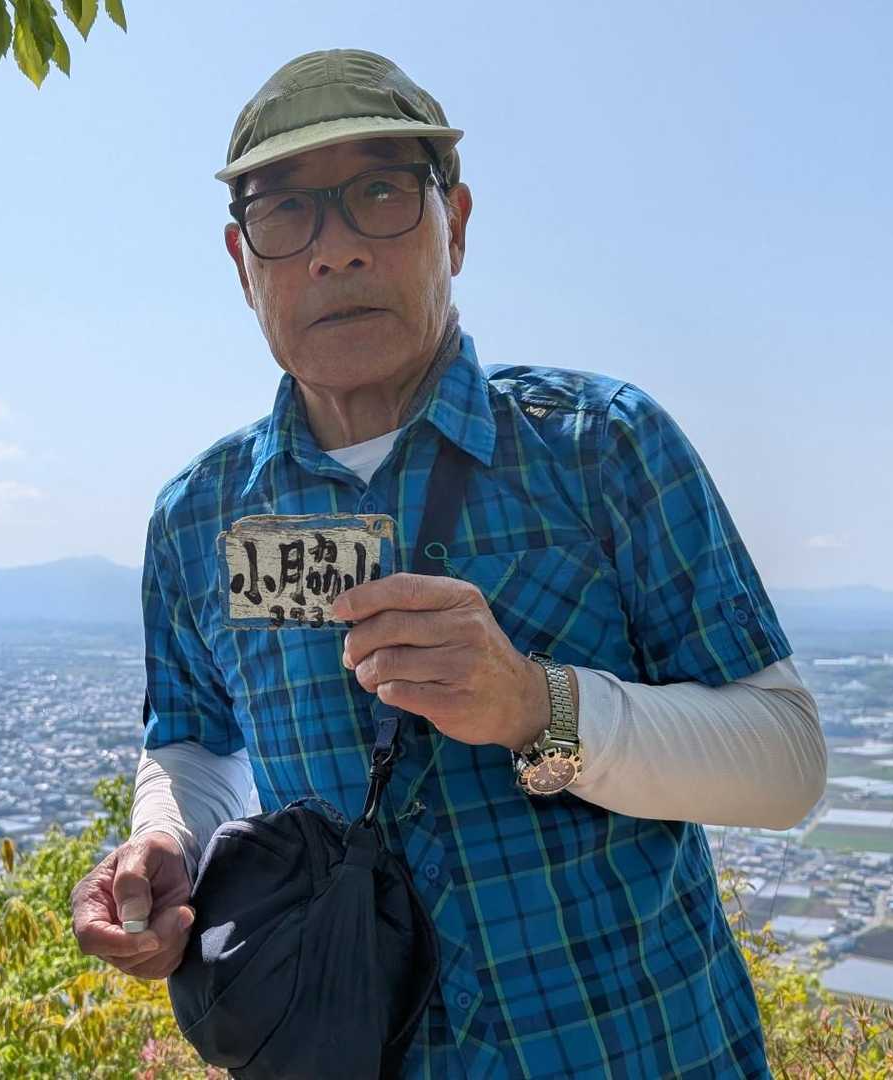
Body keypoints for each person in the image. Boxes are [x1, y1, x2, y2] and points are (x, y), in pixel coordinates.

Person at [69, 47, 827, 1078]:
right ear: (242, 262)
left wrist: (538, 705)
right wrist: (166, 842)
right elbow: (195, 742)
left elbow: (785, 763)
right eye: (286, 212)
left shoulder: (598, 447)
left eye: (380, 192)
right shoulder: (202, 516)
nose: (335, 250)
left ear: (455, 225)